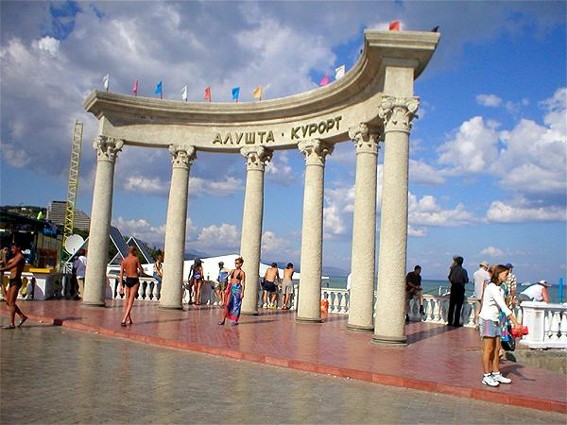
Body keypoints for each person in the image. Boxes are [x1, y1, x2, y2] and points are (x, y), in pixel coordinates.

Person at [478, 264, 522, 387]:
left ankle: (496, 372)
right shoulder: (492, 288)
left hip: (496, 320)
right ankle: (486, 375)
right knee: (489, 349)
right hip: (487, 320)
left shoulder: (500, 289)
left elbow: (503, 307)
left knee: (497, 348)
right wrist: (516, 322)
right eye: (506, 274)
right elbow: (503, 306)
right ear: (499, 274)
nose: (508, 276)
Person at [0, 244, 28, 329]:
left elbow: (11, 266)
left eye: (13, 248)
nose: (12, 250)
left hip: (16, 281)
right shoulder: (14, 257)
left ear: (18, 248)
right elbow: (6, 264)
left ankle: (12, 324)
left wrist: (1, 269)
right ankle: (22, 316)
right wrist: (4, 254)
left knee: (11, 302)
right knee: (8, 302)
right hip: (11, 281)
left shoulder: (20, 257)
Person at [119, 246, 145, 327]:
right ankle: (124, 319)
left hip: (128, 280)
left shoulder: (124, 260)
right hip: (134, 279)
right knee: (131, 301)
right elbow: (141, 270)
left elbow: (121, 273)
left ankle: (129, 319)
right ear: (133, 251)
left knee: (127, 300)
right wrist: (141, 270)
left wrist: (121, 285)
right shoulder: (136, 259)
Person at [218, 257, 246, 326]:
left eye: (237, 263)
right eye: (235, 263)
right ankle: (223, 320)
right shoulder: (233, 271)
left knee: (236, 305)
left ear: (241, 264)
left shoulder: (242, 273)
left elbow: (243, 283)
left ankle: (235, 320)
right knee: (227, 305)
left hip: (237, 289)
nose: (236, 265)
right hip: (231, 288)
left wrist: (242, 292)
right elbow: (227, 275)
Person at [447, 256, 469, 327]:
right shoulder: (463, 270)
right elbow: (466, 280)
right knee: (458, 306)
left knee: (451, 306)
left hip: (453, 287)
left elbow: (449, 277)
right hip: (460, 288)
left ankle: (449, 322)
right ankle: (456, 322)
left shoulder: (452, 269)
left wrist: (453, 282)